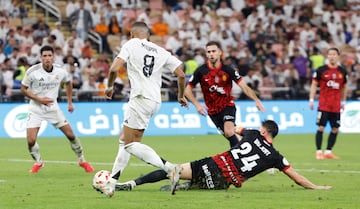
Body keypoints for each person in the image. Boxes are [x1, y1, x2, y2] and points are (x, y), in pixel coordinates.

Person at [96, 22, 188, 197]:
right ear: (148, 35)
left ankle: (170, 168)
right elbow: (181, 74)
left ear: (132, 34)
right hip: (155, 100)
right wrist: (180, 96)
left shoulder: (131, 44)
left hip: (140, 98)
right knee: (125, 140)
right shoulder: (161, 51)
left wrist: (109, 87)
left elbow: (115, 68)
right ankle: (111, 184)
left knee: (131, 144)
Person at [114, 120, 332, 192]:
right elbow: (297, 178)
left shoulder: (252, 133)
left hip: (215, 163)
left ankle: (132, 184)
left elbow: (232, 130)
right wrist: (317, 187)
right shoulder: (276, 157)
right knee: (201, 184)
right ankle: (189, 186)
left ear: (264, 131)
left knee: (172, 170)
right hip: (225, 181)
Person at [20, 45, 95, 173]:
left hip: (53, 108)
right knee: (31, 140)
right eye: (44, 56)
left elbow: (68, 83)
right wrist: (39, 99)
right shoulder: (32, 72)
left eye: (49, 56)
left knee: (71, 135)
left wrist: (70, 102)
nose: (47, 58)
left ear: (53, 57)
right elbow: (23, 89)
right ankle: (38, 162)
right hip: (36, 108)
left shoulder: (61, 71)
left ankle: (82, 160)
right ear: (41, 57)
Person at [185, 41, 266, 148]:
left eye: (214, 51)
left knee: (229, 131)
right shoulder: (201, 71)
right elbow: (187, 90)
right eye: (208, 52)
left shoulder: (228, 70)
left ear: (220, 53)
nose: (211, 54)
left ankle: (243, 150)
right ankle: (248, 145)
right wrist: (197, 104)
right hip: (212, 111)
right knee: (233, 138)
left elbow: (244, 87)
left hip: (227, 106)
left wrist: (256, 100)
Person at [309, 47, 348, 160]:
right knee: (321, 127)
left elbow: (344, 87)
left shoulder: (342, 71)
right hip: (324, 105)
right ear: (327, 56)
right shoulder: (321, 70)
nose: (332, 56)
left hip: (336, 106)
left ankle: (328, 151)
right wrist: (311, 99)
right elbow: (314, 85)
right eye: (330, 54)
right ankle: (318, 152)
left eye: (334, 54)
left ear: (338, 56)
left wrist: (343, 101)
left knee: (335, 128)